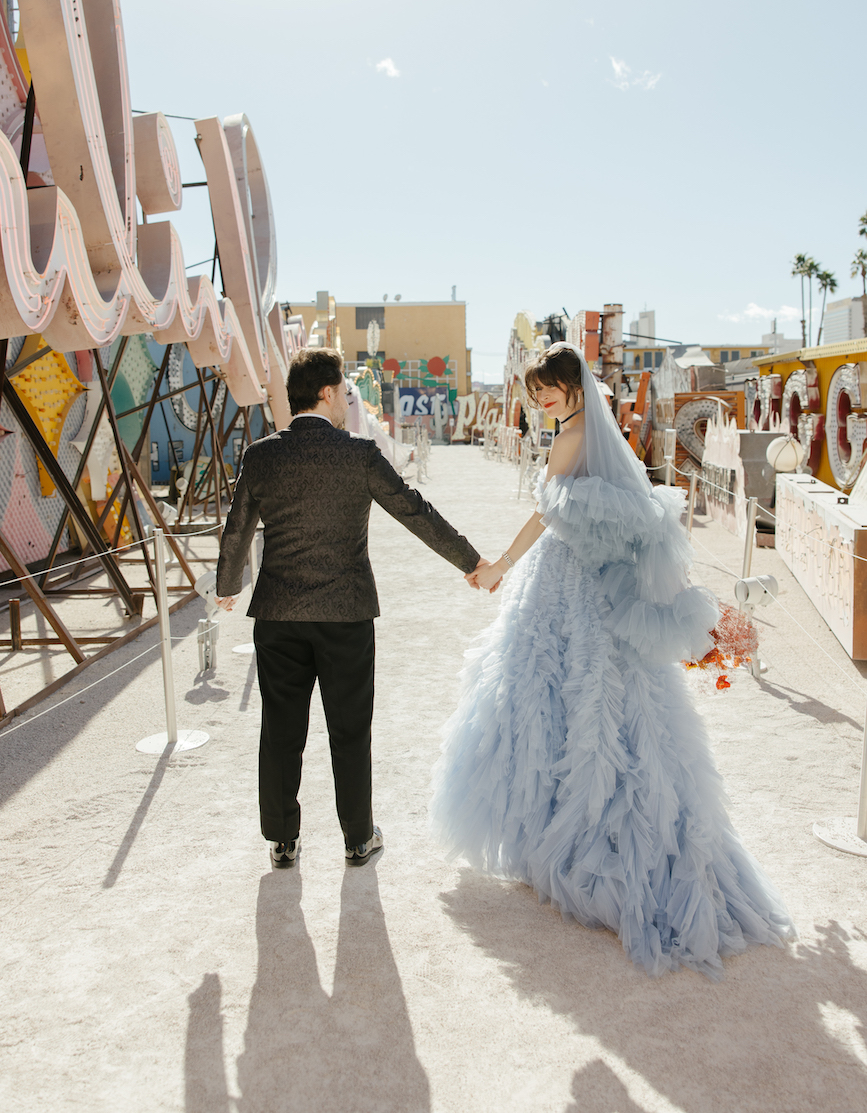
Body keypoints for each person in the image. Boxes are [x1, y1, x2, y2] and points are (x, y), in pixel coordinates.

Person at [430, 343, 795, 979]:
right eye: (535, 390)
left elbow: (545, 516)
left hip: (563, 584)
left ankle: (564, 840)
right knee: (600, 703)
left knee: (550, 700)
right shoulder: (586, 432)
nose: (539, 399)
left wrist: (498, 567)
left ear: (575, 388)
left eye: (548, 388)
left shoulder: (570, 439)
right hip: (585, 582)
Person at [216, 347, 483, 870]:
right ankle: (358, 838)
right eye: (343, 391)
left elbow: (237, 524)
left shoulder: (262, 455)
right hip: (346, 615)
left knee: (281, 727)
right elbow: (414, 510)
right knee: (350, 728)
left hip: (278, 615)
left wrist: (228, 584)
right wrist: (469, 561)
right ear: (327, 393)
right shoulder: (359, 454)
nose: (346, 401)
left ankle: (282, 840)